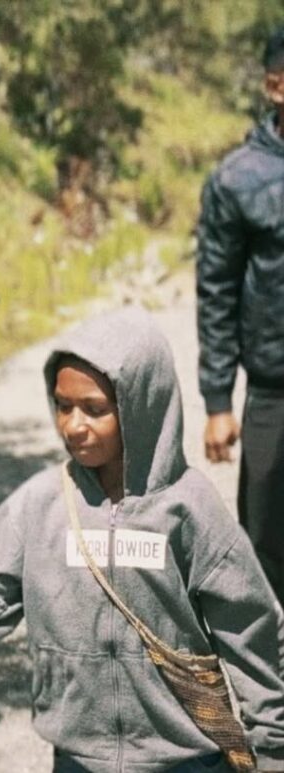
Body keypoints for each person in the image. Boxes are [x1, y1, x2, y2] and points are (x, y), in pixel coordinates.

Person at [0, 308, 284, 772]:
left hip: (185, 761)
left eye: (94, 408)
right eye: (63, 405)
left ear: (140, 404)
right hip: (78, 761)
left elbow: (252, 632)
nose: (73, 425)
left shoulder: (190, 508)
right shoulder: (39, 505)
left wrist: (270, 750)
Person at [196, 26, 284, 606]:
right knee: (268, 546)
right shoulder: (237, 179)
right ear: (276, 86)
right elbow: (216, 289)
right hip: (275, 394)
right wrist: (218, 401)